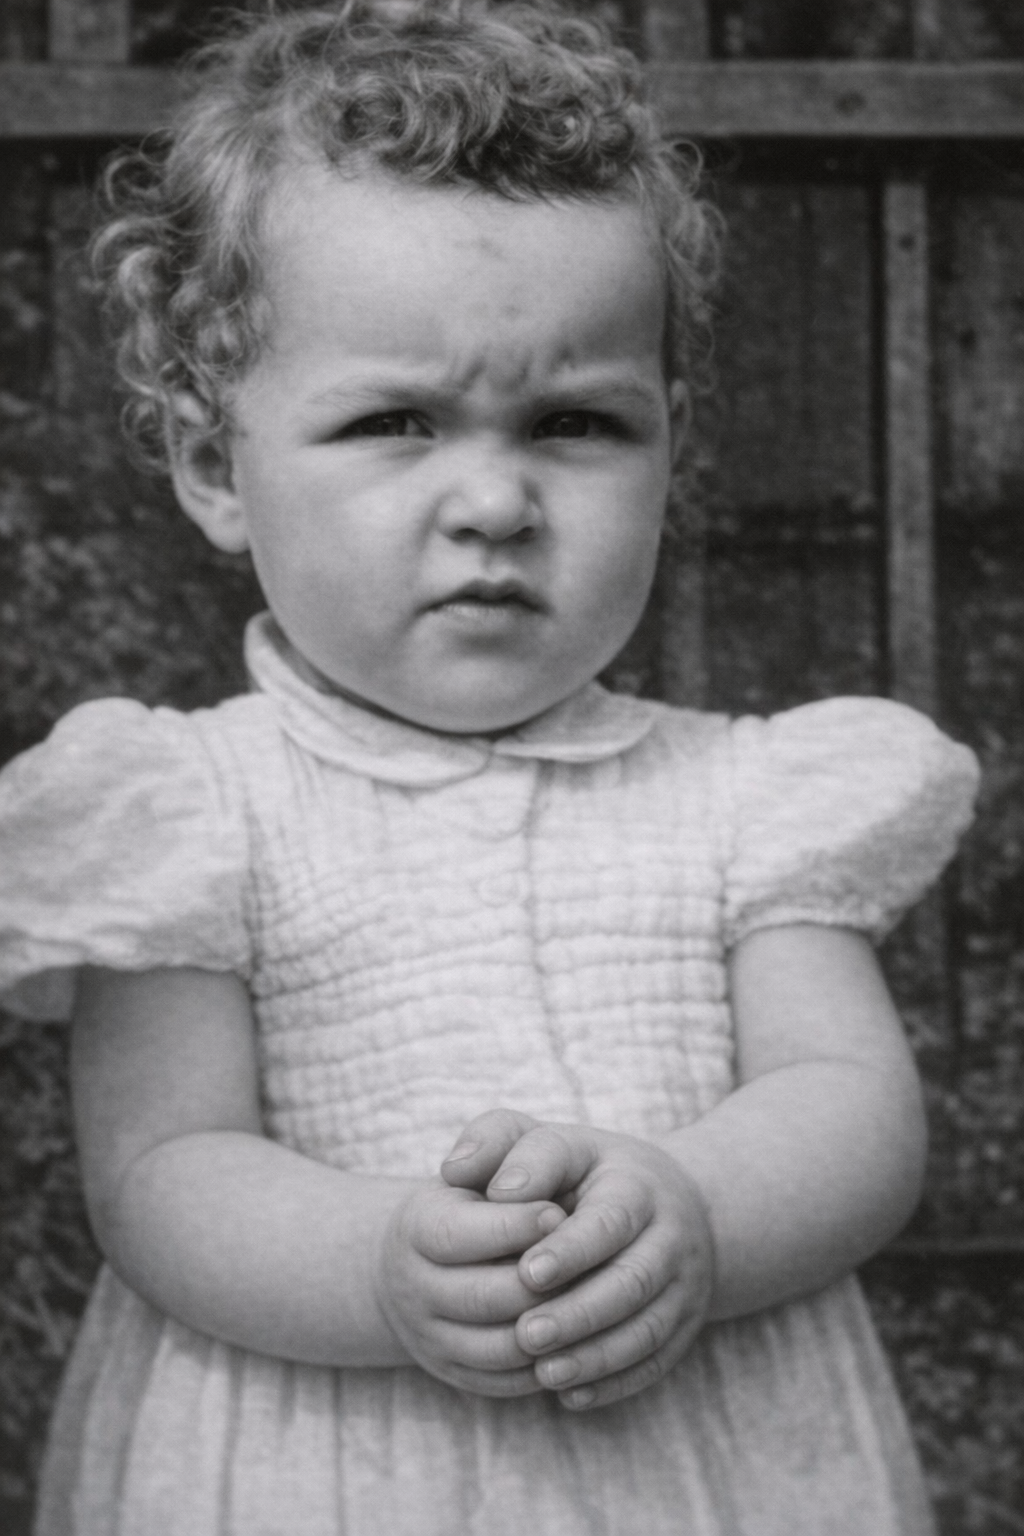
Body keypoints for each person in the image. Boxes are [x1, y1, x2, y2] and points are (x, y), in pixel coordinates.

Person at [0, 3, 979, 1533]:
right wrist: (382, 1265)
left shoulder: (747, 800)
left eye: (578, 423)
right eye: (396, 421)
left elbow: (852, 1106)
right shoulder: (188, 810)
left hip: (709, 1466)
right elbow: (161, 1169)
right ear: (213, 465)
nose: (496, 501)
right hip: (315, 1468)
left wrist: (702, 1216)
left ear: (674, 446)